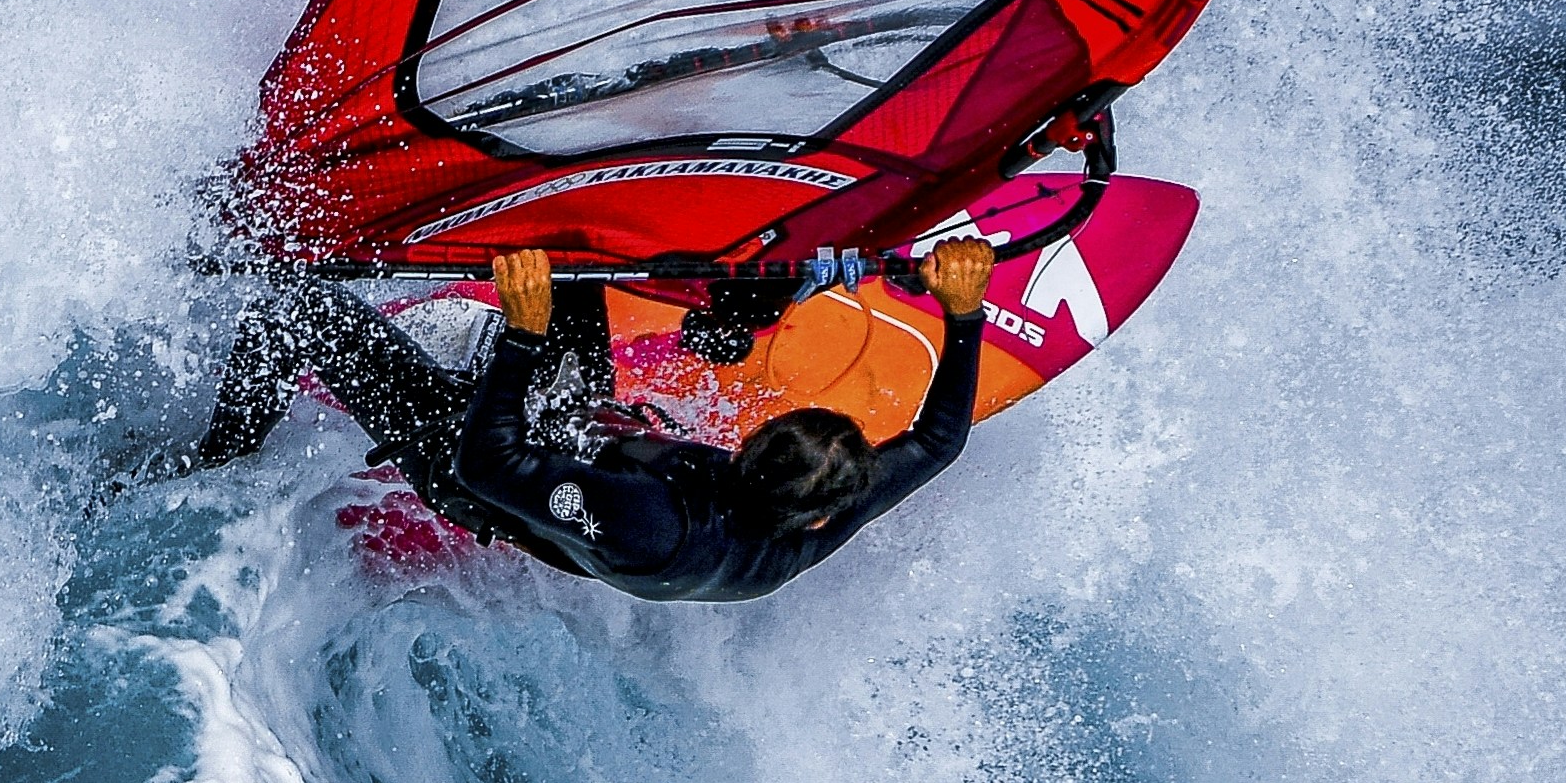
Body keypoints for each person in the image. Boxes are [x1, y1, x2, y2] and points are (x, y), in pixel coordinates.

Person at [186, 236, 1001, 601]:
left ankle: (222, 457)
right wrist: (963, 312)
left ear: (749, 450)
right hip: (582, 423)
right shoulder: (813, 517)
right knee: (576, 245)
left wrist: (523, 333)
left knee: (293, 308)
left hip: (464, 453)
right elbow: (939, 441)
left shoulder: (652, 523)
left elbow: (489, 465)